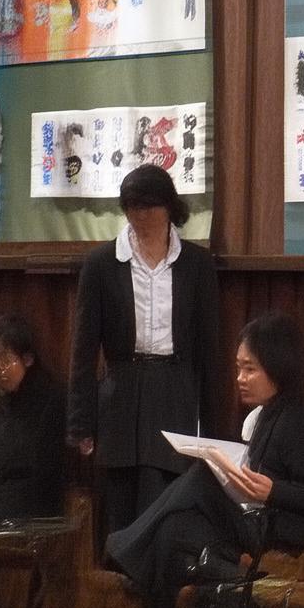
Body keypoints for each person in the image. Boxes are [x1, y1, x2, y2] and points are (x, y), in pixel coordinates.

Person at [105, 311, 304, 608]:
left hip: (280, 527)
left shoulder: (299, 419)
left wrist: (274, 491)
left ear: (278, 368)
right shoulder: (266, 414)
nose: (240, 379)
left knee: (201, 477)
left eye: (250, 369)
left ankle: (123, 548)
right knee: (171, 533)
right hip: (249, 517)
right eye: (238, 368)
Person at [67, 163, 219, 547]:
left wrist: (213, 428)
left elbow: (209, 349)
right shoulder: (101, 264)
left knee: (164, 503)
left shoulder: (197, 264)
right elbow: (83, 349)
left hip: (174, 391)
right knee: (120, 509)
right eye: (132, 207)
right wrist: (81, 424)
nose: (140, 216)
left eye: (149, 207)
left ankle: (159, 584)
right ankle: (120, 583)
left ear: (169, 208)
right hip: (121, 393)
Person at [0, 314, 66, 524]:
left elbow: (38, 464)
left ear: (27, 359)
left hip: (35, 498)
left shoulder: (51, 397)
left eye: (4, 359)